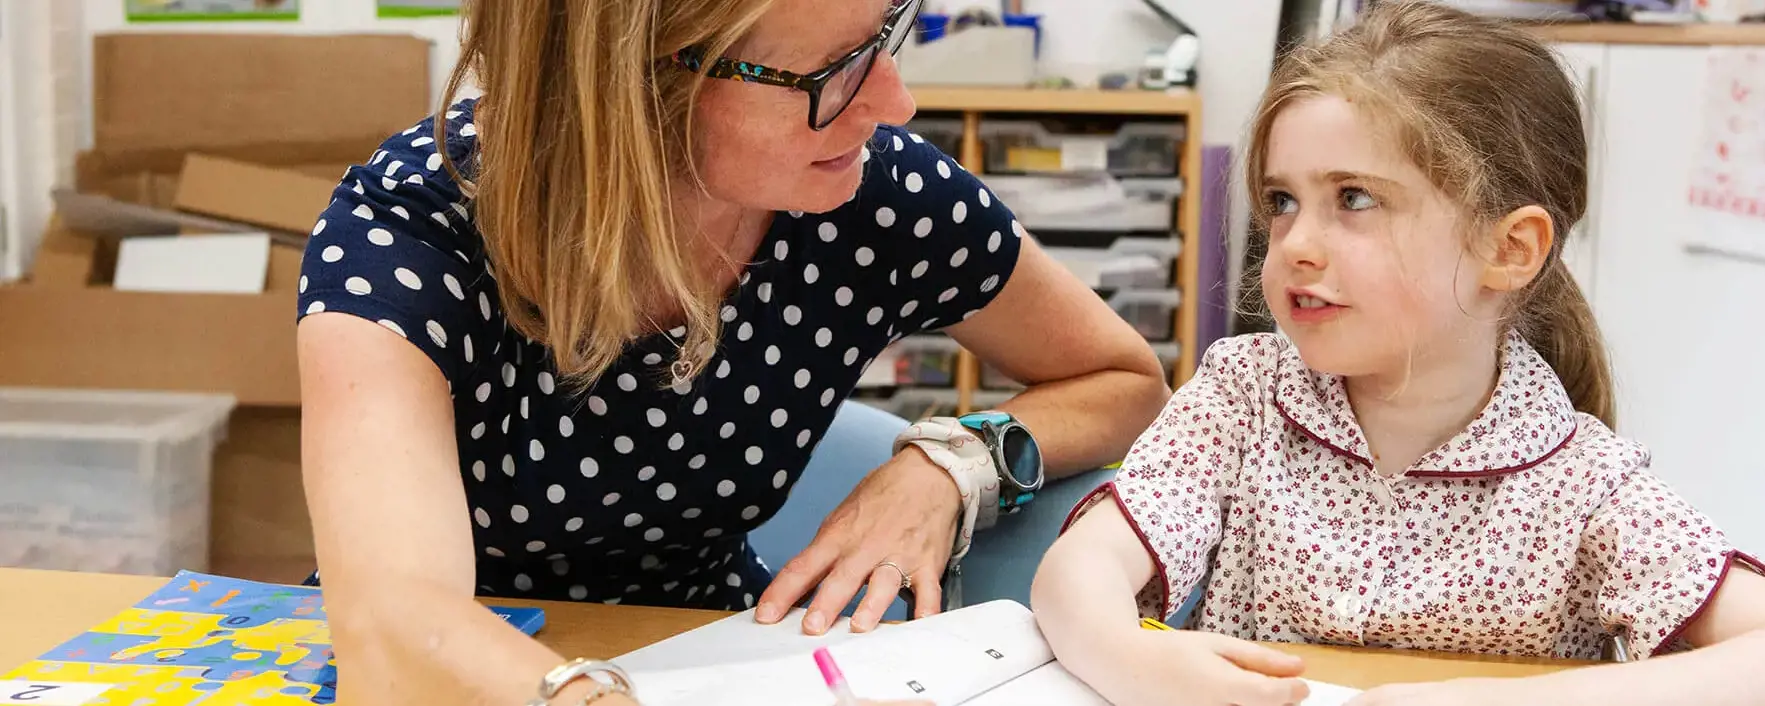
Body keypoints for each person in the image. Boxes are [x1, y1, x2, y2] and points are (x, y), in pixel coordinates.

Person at [292, 0, 1171, 702]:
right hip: (464, 678)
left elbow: (1126, 378)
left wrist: (953, 461)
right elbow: (396, 626)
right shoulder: (413, 227)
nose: (894, 103)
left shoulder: (873, 193)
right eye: (833, 72)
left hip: (722, 653)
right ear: (634, 88)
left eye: (886, 34)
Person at [1029, 3, 1765, 705]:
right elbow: (1080, 572)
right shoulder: (1240, 398)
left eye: (1354, 199)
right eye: (1284, 200)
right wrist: (1136, 661)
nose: (1293, 245)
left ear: (1508, 250)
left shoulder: (1586, 485)